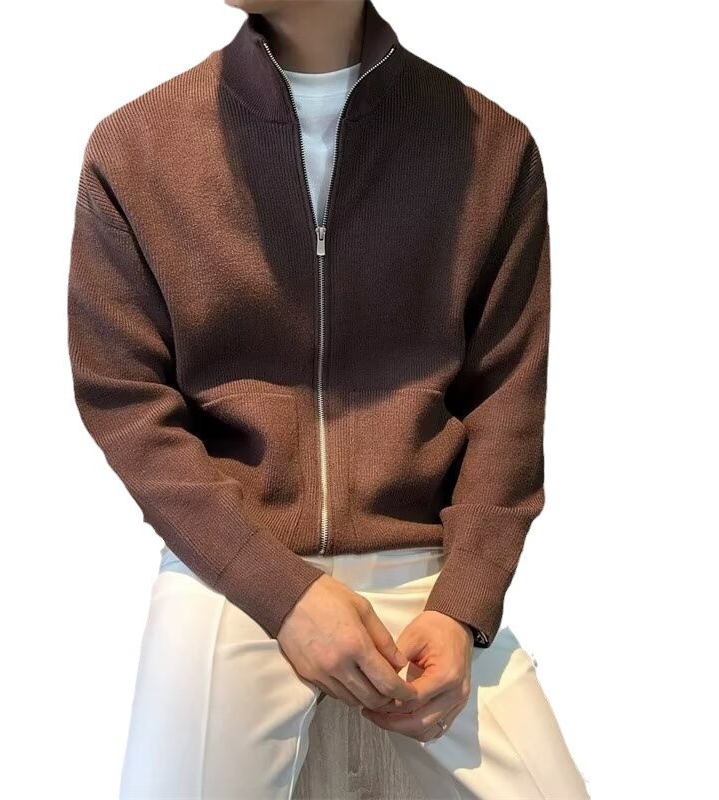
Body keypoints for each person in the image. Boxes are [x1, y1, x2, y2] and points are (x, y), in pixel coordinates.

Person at [66, 0, 591, 797]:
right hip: (231, 567)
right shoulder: (136, 147)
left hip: (429, 567)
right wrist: (284, 595)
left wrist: (464, 605)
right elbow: (125, 402)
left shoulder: (491, 147)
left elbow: (507, 408)